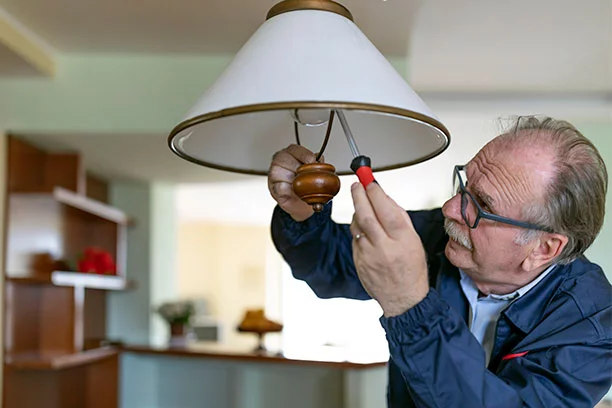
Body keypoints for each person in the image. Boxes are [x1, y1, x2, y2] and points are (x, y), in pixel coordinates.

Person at [267, 115, 612, 407]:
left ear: (544, 248)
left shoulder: (594, 326)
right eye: (464, 184)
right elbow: (330, 265)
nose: (450, 209)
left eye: (482, 206)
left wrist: (409, 305)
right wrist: (301, 214)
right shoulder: (438, 234)